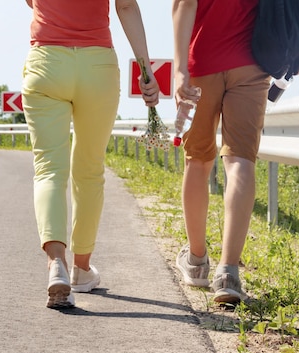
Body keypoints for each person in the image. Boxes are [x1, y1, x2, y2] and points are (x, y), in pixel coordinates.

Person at [22, 0, 159, 309]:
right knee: (89, 169)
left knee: (48, 170)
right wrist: (146, 69)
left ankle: (57, 263)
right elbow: (125, 7)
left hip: (47, 62)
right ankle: (82, 269)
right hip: (98, 67)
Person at [172, 0, 272, 304]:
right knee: (240, 160)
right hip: (253, 63)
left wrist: (179, 71)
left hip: (202, 62)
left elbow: (185, 4)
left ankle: (197, 261)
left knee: (198, 160)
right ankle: (228, 272)